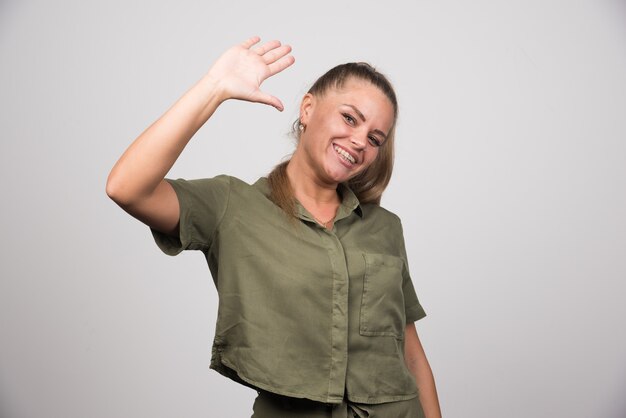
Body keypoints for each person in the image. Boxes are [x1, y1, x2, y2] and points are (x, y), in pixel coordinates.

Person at [106, 36, 442, 418]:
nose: (359, 141)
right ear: (308, 108)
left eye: (374, 138)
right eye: (349, 118)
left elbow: (411, 354)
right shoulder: (233, 206)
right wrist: (214, 88)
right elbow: (126, 187)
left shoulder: (385, 228)